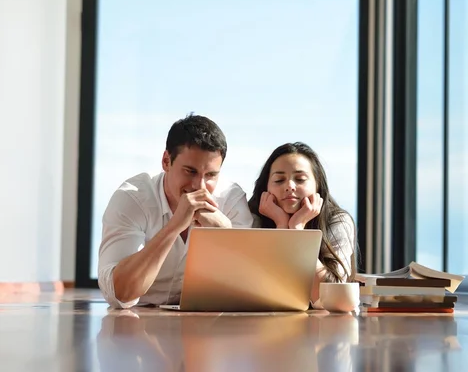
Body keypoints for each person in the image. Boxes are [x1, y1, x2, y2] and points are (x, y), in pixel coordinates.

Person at [98, 114, 254, 309]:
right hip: (136, 320)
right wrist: (173, 227)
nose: (200, 186)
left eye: (211, 175)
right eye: (190, 171)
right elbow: (120, 294)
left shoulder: (231, 198)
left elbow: (248, 288)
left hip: (203, 322)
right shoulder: (132, 198)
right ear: (166, 162)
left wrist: (223, 233)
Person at [247, 142, 357, 306]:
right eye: (279, 180)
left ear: (317, 185)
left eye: (300, 179)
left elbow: (332, 297)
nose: (289, 186)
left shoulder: (337, 221)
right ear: (266, 188)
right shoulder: (253, 219)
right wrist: (282, 226)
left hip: (323, 327)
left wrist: (297, 231)